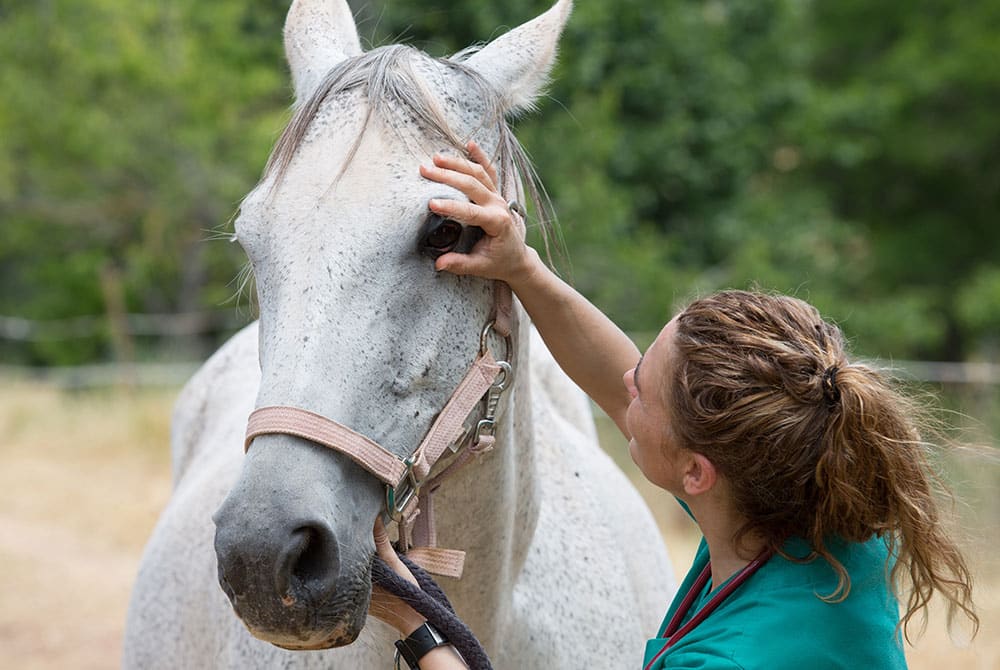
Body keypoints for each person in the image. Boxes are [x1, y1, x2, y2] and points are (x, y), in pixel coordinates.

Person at [368, 143, 979, 669]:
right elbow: (617, 377)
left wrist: (415, 622)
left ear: (696, 472)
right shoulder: (821, 521)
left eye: (645, 391)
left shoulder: (728, 660)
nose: (626, 385)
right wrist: (522, 267)